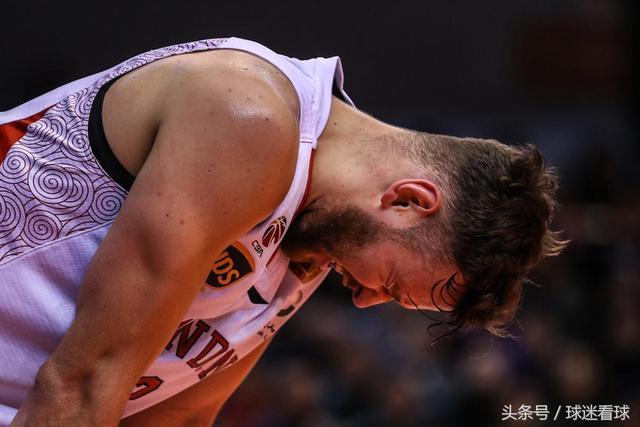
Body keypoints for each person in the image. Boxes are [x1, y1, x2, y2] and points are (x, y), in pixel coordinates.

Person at [0, 36, 565, 426]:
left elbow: (178, 415)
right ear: (408, 200)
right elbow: (80, 384)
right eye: (390, 284)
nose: (365, 300)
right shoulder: (246, 118)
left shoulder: (312, 243)